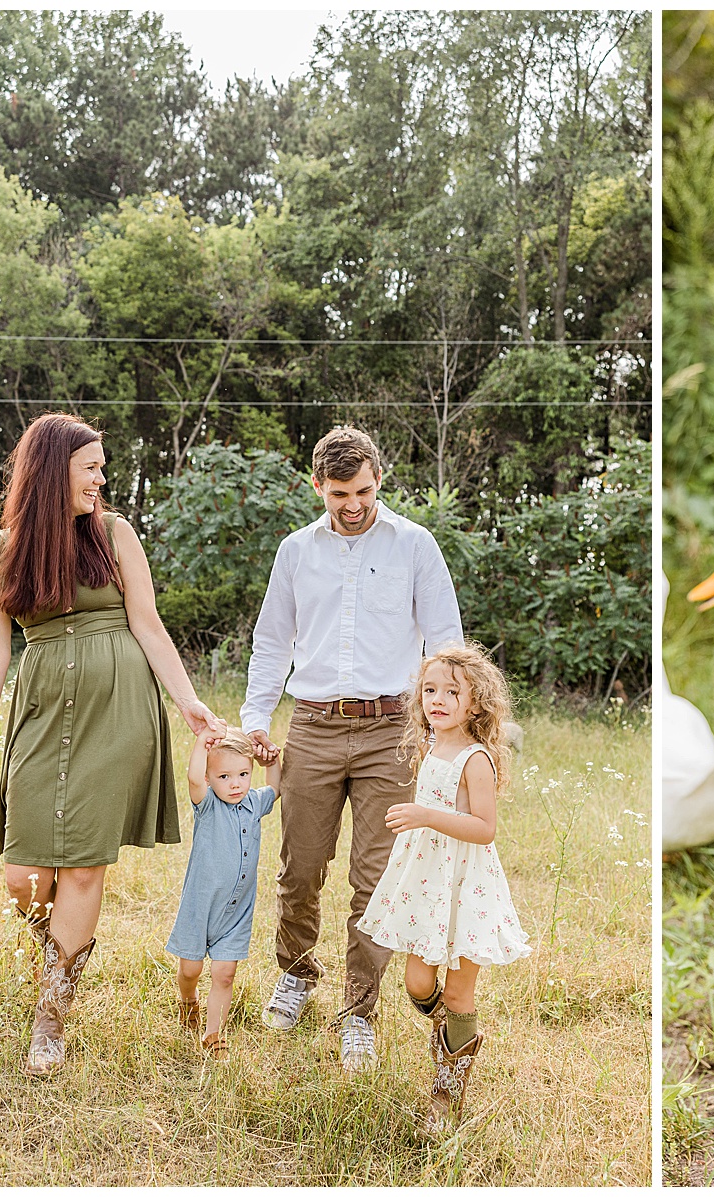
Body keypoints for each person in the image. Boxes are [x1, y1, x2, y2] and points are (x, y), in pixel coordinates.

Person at [0, 412, 223, 1077]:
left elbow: (149, 625)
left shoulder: (113, 535)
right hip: (43, 710)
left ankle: (49, 1017)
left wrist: (188, 701)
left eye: (103, 467)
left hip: (118, 713)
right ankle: (56, 949)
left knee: (81, 866)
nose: (101, 479)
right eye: (91, 467)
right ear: (55, 471)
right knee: (26, 875)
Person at [241, 425, 463, 1072]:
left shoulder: (415, 545)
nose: (354, 504)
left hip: (391, 730)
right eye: (341, 493)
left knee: (375, 879)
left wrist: (448, 729)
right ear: (318, 486)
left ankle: (358, 1010)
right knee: (300, 868)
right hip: (311, 725)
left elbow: (446, 641)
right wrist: (257, 715)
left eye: (364, 490)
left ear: (379, 481)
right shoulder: (295, 551)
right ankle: (297, 973)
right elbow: (271, 640)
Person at [358, 643, 530, 1132]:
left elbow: (484, 828)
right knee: (416, 981)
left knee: (459, 991)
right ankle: (450, 1031)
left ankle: (447, 1090)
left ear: (475, 703)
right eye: (430, 690)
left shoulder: (477, 759)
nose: (438, 699)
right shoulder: (430, 747)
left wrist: (424, 815)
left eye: (452, 692)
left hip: (466, 883)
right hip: (427, 879)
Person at [166, 727, 281, 1060]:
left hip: (235, 912)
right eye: (225, 776)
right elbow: (192, 779)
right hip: (200, 907)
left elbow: (275, 788)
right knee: (191, 970)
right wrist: (202, 743)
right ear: (210, 777)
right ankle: (188, 1000)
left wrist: (272, 761)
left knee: (224, 973)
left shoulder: (253, 803)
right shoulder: (208, 806)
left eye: (244, 774)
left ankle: (213, 1035)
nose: (236, 784)